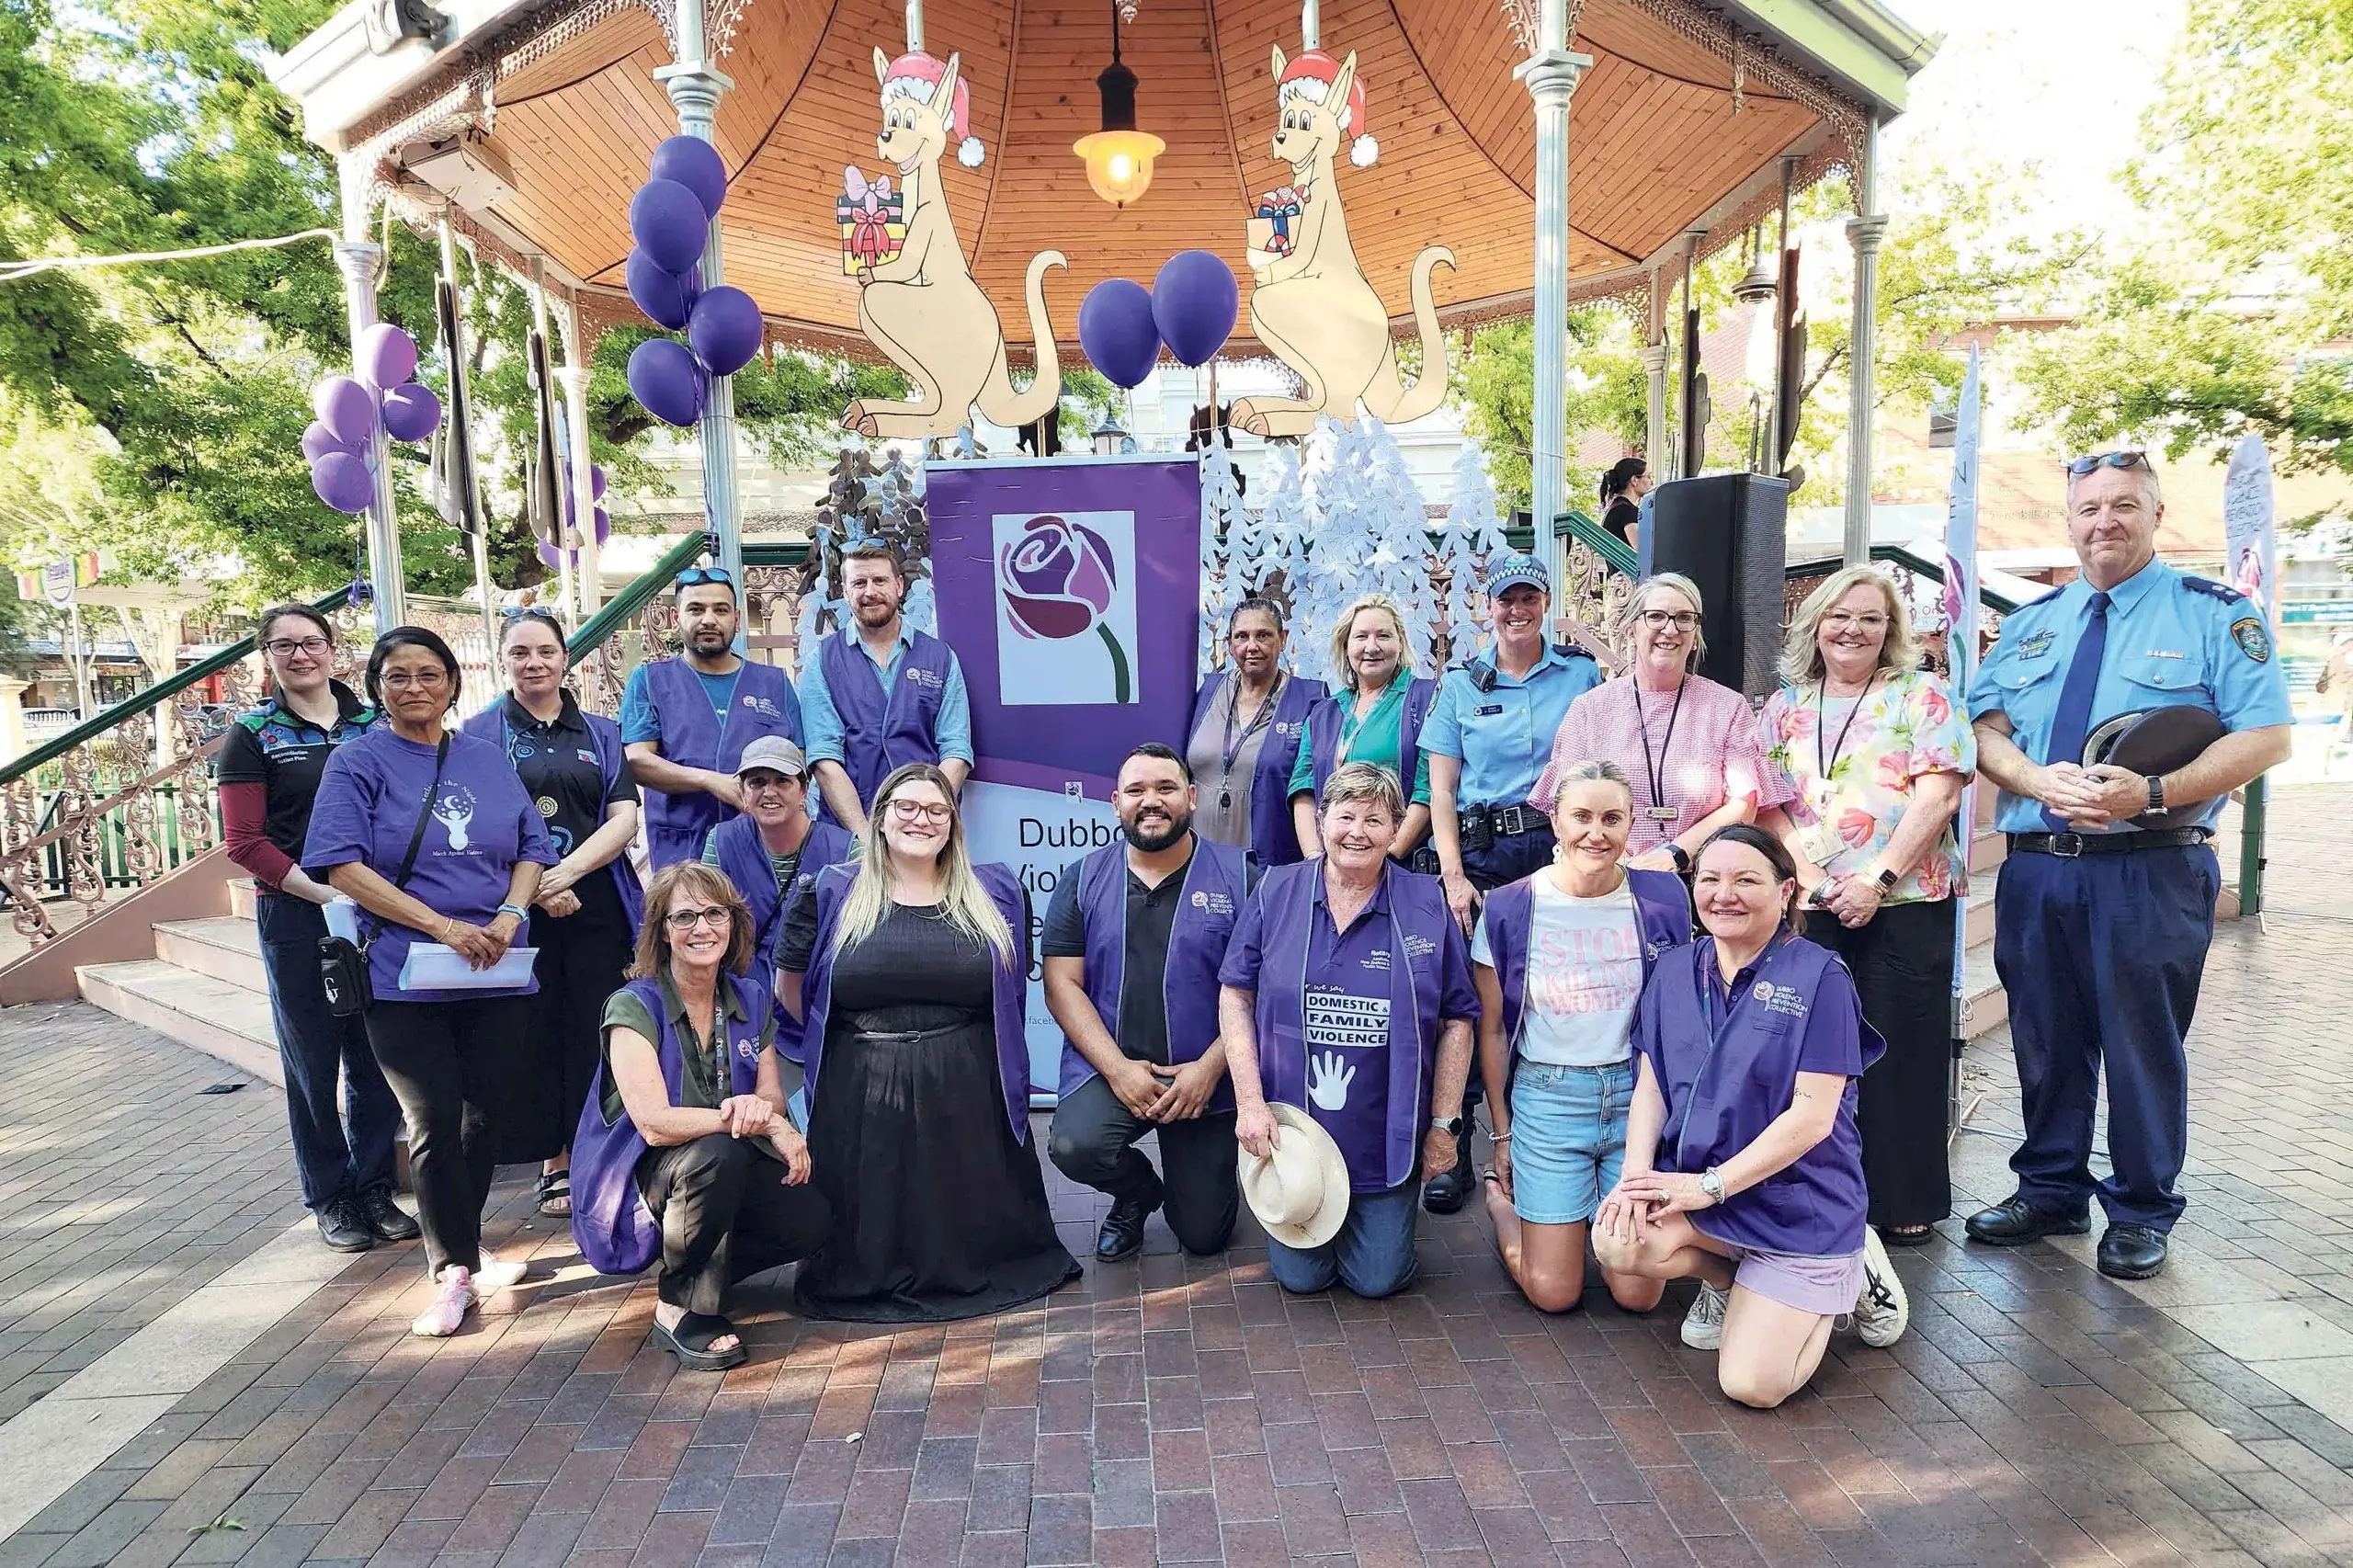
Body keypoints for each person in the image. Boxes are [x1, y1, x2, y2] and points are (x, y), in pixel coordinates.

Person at [1964, 452, 2292, 1279]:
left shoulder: (2214, 615)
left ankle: (2142, 1207)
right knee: (2044, 1036)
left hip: (2149, 864)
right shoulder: (2037, 620)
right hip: (2040, 866)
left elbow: (2265, 737)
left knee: (2142, 1041)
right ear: (2069, 520)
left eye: (2122, 506)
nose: (2103, 521)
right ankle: (2049, 1190)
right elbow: (1983, 731)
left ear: (2154, 514)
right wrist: (2035, 779)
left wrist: (2151, 791)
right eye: (2088, 508)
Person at [1591, 826, 1909, 1408]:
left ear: (1786, 891)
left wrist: (1708, 1187)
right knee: (1618, 1242)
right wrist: (1636, 1180)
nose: (1724, 894)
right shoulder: (1674, 971)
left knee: (1753, 1387)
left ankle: (1850, 1268)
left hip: (1795, 1204)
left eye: (1746, 880)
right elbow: (1652, 1089)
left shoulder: (1819, 976)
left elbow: (1814, 1118)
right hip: (1708, 1195)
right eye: (1709, 879)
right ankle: (1737, 1283)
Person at [303, 627, 558, 1338]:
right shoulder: (357, 764)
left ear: (452, 682)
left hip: (496, 968)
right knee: (433, 1121)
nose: (414, 688)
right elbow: (342, 867)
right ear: (377, 686)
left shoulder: (486, 758)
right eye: (397, 676)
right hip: (403, 975)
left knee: (484, 1118)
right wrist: (444, 927)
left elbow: (532, 849)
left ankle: (467, 1248)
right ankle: (449, 1272)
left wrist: (509, 915)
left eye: (428, 674)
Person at [778, 763, 1079, 1320]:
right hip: (859, 1089)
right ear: (881, 819)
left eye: (937, 809)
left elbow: (1011, 986)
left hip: (968, 1088)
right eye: (907, 808)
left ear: (954, 823)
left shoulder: (998, 892)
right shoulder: (828, 892)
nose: (922, 819)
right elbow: (792, 990)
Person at [1759, 567, 1973, 1245]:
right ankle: (1819, 1186)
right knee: (1814, 1053)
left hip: (1905, 901)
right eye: (1840, 616)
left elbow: (1938, 795)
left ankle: (1903, 1197)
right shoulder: (1784, 706)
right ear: (1815, 623)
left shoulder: (1923, 696)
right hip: (1813, 904)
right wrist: (1817, 881)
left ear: (1891, 631)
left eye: (1871, 619)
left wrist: (1875, 880)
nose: (1853, 629)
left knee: (1904, 1051)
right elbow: (1769, 806)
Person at [1220, 762, 1479, 1298]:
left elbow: (1458, 1018)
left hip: (1388, 1136)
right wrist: (1249, 1101)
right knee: (1300, 1280)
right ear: (1321, 820)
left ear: (1396, 829)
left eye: (1375, 819)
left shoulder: (1427, 902)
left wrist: (1444, 1126)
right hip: (1295, 1135)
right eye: (1345, 816)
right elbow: (1235, 995)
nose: (1357, 831)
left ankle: (1388, 1219)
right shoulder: (1276, 890)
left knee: (1377, 1281)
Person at [572, 862, 833, 1370]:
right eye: (684, 916)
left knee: (811, 1219)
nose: (702, 928)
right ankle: (680, 1303)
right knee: (718, 1153)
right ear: (662, 931)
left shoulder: (751, 997)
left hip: (715, 1164)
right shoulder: (632, 1006)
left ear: (732, 923)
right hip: (643, 1176)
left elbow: (772, 1097)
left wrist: (768, 1115)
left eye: (715, 914)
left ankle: (701, 1262)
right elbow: (653, 1123)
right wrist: (758, 1121)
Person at [219, 605, 417, 1254]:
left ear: (334, 650)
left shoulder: (372, 724)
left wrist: (372, 894)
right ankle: (330, 1197)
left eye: (311, 642)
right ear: (266, 655)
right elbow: (245, 842)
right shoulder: (253, 735)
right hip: (298, 914)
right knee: (313, 1060)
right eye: (284, 645)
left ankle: (372, 1190)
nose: (300, 655)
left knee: (376, 1054)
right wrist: (322, 890)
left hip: (376, 911)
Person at [1419, 554, 1605, 1211]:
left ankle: (1546, 1147)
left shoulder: (1582, 674)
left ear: (1546, 602)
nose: (1517, 610)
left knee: (1554, 995)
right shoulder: (1462, 685)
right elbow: (1440, 790)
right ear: (1487, 606)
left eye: (1529, 597)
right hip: (1486, 856)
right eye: (1505, 599)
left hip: (1559, 849)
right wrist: (1452, 875)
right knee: (1476, 1004)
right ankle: (1460, 1150)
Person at [1472, 761, 1691, 1312]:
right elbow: (1493, 1031)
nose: (1597, 833)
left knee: (1637, 1293)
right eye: (1582, 817)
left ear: (1631, 823)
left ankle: (1592, 1213)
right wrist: (1503, 1134)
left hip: (1636, 1100)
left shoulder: (1664, 899)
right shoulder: (1508, 907)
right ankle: (1505, 1209)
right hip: (1548, 1097)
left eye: (1612, 818)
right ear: (1555, 819)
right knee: (1554, 1293)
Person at [462, 609, 643, 1218]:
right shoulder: (477, 734)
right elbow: (477, 825)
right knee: (531, 1030)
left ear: (566, 658)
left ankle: (598, 1155)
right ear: (502, 660)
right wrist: (534, 888)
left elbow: (623, 817)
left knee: (597, 1027)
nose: (534, 663)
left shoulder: (600, 732)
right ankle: (553, 1161)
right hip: (514, 908)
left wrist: (566, 873)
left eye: (545, 651)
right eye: (520, 652)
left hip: (597, 903)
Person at [1043, 744, 1250, 1262]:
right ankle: (1136, 1194)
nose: (1151, 801)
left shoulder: (1245, 878)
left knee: (1203, 1237)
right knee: (1075, 1145)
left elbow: (1263, 993)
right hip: (1116, 1072)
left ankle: (1199, 1180)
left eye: (1165, 788)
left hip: (1207, 1080)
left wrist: (1208, 1069)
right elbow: (1061, 985)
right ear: (1115, 803)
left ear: (1193, 797)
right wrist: (1117, 1071)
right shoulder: (1082, 880)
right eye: (1136, 791)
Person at [1530, 573, 1790, 872]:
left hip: (1704, 878)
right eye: (1655, 617)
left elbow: (1744, 803)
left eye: (1684, 618)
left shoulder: (1728, 707)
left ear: (1695, 636)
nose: (1670, 629)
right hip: (1613, 875)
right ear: (1631, 630)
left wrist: (1675, 854)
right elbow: (1565, 802)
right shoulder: (1590, 709)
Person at [621, 566, 804, 869]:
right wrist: (708, 781)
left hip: (764, 847)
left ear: (737, 619)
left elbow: (798, 762)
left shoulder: (775, 684)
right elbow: (638, 761)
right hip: (683, 849)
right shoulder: (650, 681)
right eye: (696, 609)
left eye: (720, 610)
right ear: (675, 618)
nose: (709, 619)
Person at [702, 736, 856, 1074]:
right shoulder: (722, 842)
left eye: (782, 781)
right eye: (757, 782)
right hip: (744, 1012)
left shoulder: (846, 850)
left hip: (822, 1013)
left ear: (804, 791)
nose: (768, 792)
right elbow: (705, 925)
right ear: (743, 792)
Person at [798, 540, 974, 834]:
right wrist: (866, 839)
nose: (870, 592)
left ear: (899, 586)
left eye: (879, 580)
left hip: (927, 830)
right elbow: (824, 758)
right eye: (859, 583)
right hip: (850, 832)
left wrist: (925, 817)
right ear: (844, 591)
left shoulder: (940, 658)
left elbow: (956, 750)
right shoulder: (823, 661)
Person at [1290, 595, 1436, 862]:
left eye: (1383, 636)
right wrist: (1315, 860)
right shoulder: (1324, 713)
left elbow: (1428, 790)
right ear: (1345, 645)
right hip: (1331, 866)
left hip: (1397, 865)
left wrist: (1383, 859)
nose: (1372, 647)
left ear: (1400, 643)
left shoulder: (1426, 699)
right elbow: (1303, 789)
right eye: (1361, 637)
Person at [1187, 597, 1327, 868]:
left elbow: (1315, 786)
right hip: (1201, 860)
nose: (1252, 646)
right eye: (1242, 637)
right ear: (1229, 644)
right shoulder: (1207, 692)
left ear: (1282, 639)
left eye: (1263, 635)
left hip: (1271, 864)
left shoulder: (1310, 700)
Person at [1599, 458, 1649, 547]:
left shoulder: (1617, 507)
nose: (1651, 481)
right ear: (1634, 480)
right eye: (1648, 476)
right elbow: (1642, 548)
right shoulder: (1626, 510)